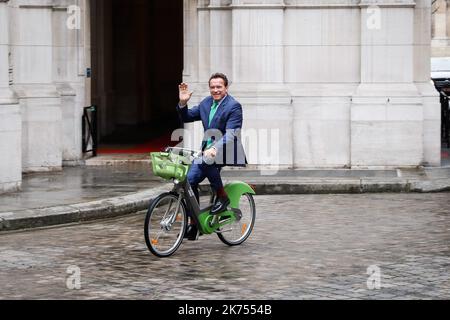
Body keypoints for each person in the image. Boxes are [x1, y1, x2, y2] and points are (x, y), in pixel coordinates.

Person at [177, 73, 247, 240]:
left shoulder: (233, 106)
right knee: (188, 181)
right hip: (207, 151)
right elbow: (187, 116)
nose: (215, 90)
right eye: (212, 87)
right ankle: (194, 223)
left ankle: (223, 198)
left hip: (225, 149)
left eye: (219, 87)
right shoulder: (206, 103)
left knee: (208, 162)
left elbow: (232, 134)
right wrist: (183, 103)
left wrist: (215, 148)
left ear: (226, 88)